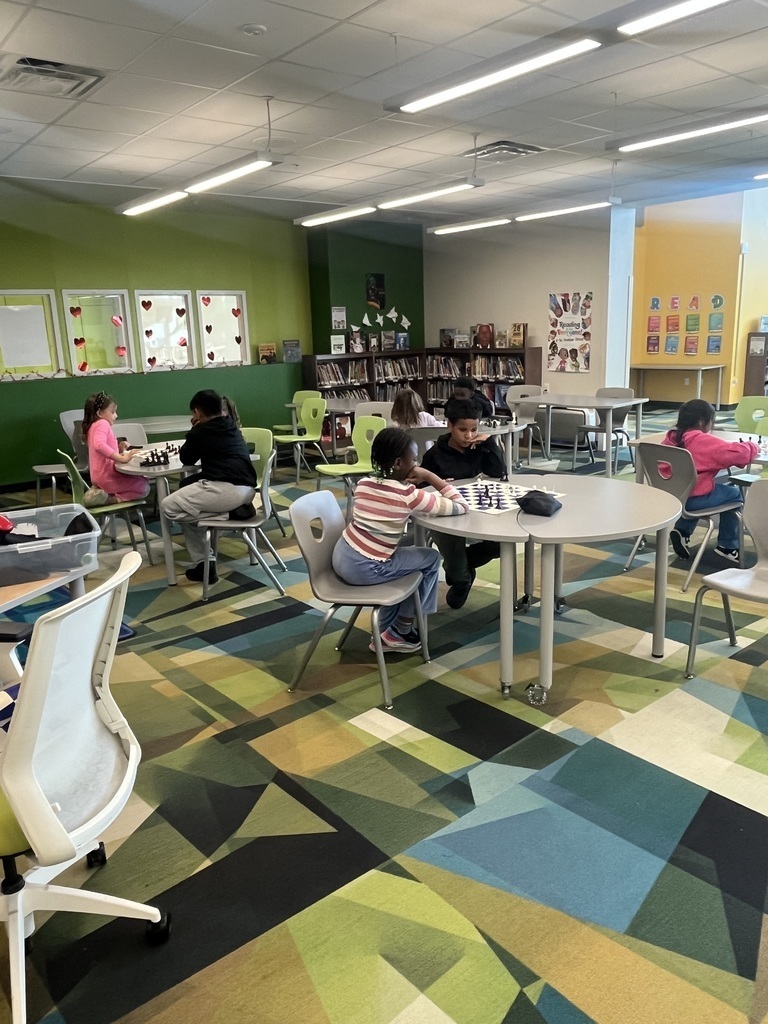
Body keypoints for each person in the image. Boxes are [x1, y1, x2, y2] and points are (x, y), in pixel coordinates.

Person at [332, 427, 468, 653]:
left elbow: (385, 506)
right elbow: (461, 506)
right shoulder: (408, 496)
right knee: (431, 559)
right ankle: (400, 631)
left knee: (408, 549)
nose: (416, 465)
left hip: (342, 555)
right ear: (397, 463)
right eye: (413, 460)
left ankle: (387, 628)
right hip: (365, 568)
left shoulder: (363, 483)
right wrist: (430, 477)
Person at [161, 389, 257, 584]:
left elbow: (186, 458)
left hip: (225, 490)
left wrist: (193, 430)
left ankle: (227, 516)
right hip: (248, 490)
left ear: (197, 412)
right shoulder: (230, 424)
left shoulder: (201, 431)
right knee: (186, 493)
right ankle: (204, 565)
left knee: (168, 507)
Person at [421, 397, 506, 608]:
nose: (469, 436)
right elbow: (420, 488)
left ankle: (461, 568)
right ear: (449, 426)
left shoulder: (478, 447)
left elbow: (498, 471)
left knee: (503, 543)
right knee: (452, 545)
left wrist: (489, 443)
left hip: (477, 509)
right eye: (462, 430)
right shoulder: (435, 454)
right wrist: (436, 483)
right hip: (446, 516)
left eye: (474, 429)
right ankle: (461, 578)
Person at [662, 399, 758, 562]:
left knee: (709, 486)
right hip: (692, 500)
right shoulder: (701, 440)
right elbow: (738, 454)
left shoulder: (671, 437)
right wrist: (754, 446)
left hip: (671, 496)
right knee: (734, 493)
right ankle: (727, 546)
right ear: (702, 422)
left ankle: (683, 532)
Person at [82, 391, 149, 502]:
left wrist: (119, 448)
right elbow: (99, 445)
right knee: (143, 486)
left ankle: (105, 496)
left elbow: (102, 450)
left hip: (99, 477)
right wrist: (121, 458)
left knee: (140, 480)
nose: (116, 415)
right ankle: (112, 499)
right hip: (107, 477)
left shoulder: (93, 426)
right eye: (113, 412)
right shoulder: (102, 423)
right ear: (100, 413)